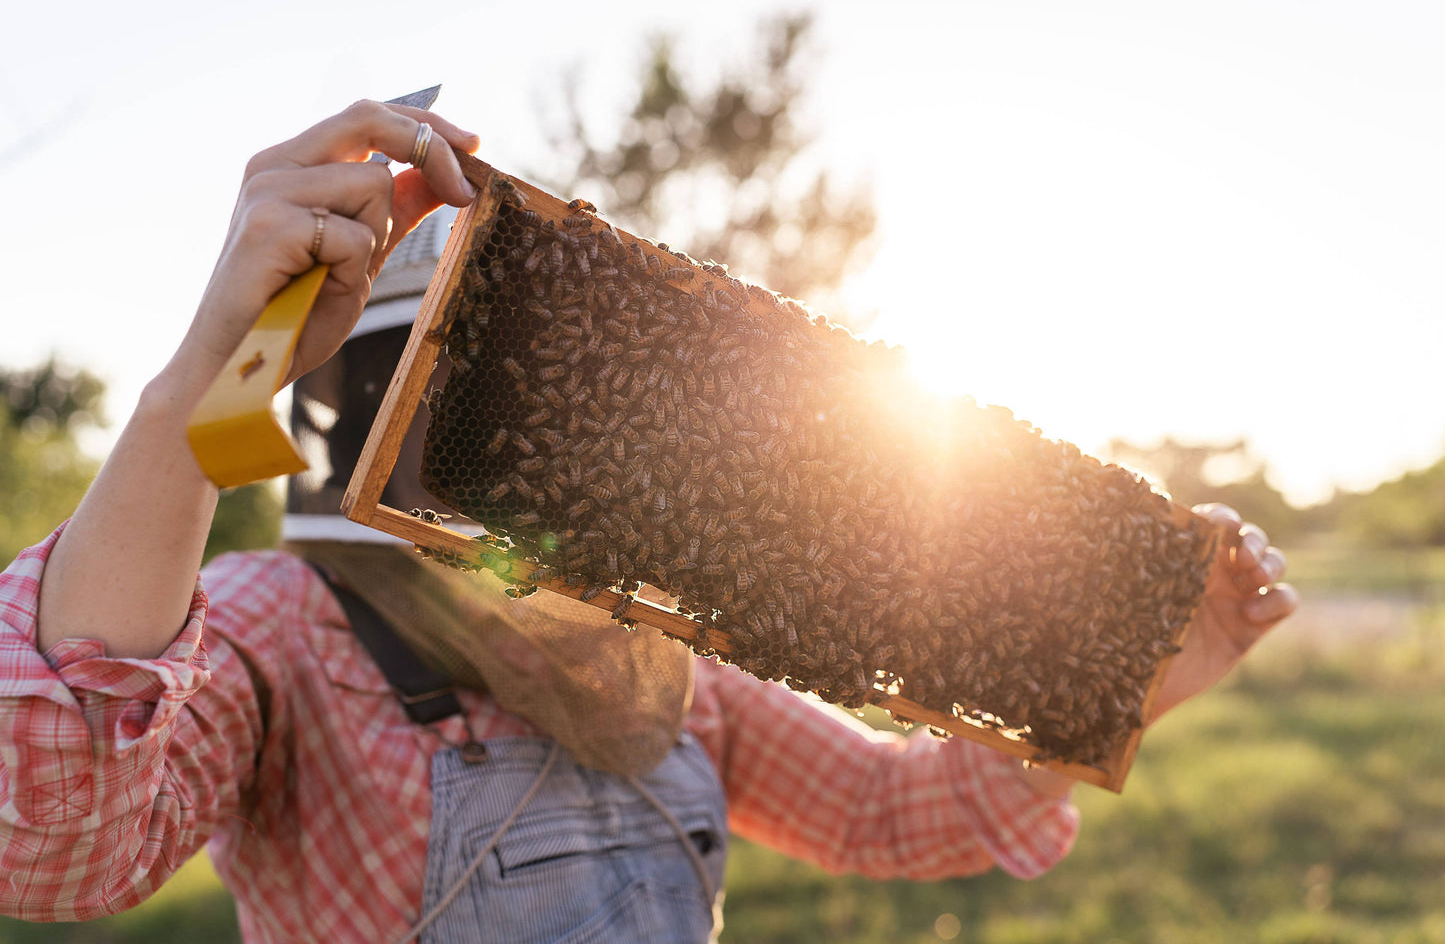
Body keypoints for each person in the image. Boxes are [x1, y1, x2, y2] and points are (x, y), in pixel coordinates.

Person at [0, 100, 1298, 943]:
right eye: (484, 388)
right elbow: (56, 849)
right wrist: (206, 380)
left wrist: (1134, 681)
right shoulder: (277, 627)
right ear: (348, 398)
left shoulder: (646, 640)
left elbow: (890, 811)